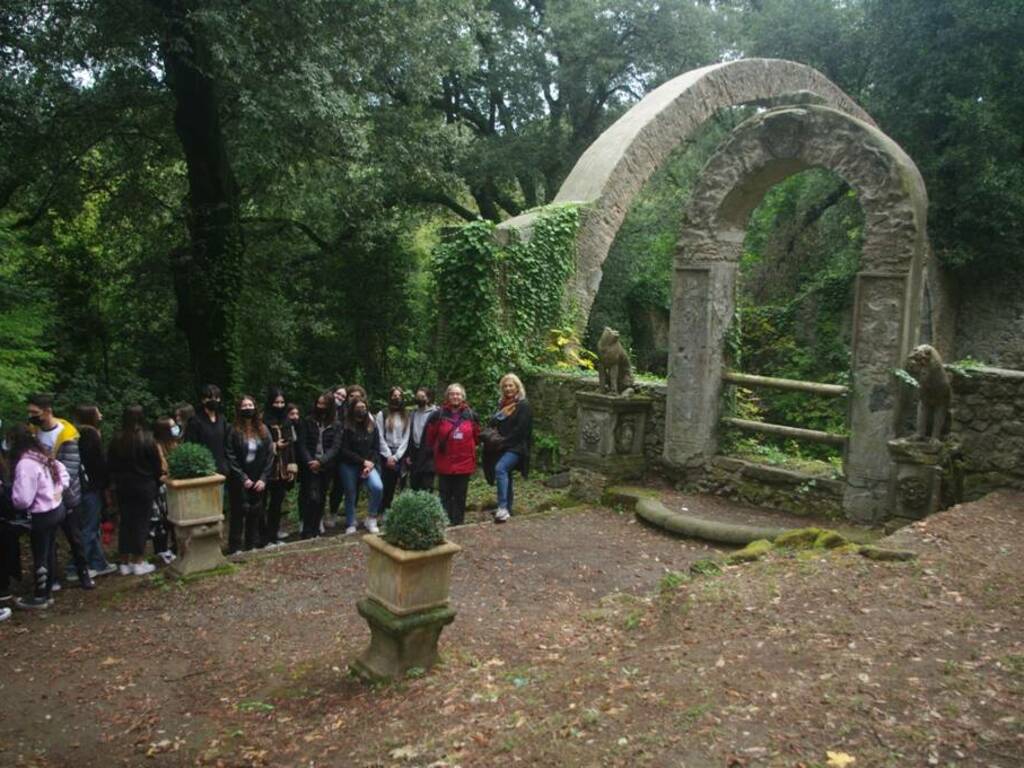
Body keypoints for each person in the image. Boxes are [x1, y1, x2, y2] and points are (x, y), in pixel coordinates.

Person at [26, 394, 92, 590]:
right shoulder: (33, 433)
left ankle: (84, 573)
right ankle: (51, 578)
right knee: (48, 540)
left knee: (74, 537)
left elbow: (71, 466)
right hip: (43, 498)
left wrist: (58, 490)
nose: (31, 416)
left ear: (47, 411)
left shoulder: (67, 434)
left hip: (67, 495)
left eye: (34, 413)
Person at [9, 424, 72, 608]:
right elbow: (63, 473)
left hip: (42, 514)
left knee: (41, 554)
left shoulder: (25, 464)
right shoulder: (42, 455)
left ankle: (40, 596)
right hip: (56, 509)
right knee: (49, 550)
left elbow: (22, 499)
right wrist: (58, 491)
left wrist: (11, 497)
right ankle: (48, 589)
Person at [107, 406, 163, 576]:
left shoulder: (116, 439)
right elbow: (157, 465)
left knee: (126, 522)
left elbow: (110, 464)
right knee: (142, 523)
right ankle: (138, 560)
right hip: (144, 485)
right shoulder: (147, 439)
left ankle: (124, 561)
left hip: (123, 486)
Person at [224, 395, 274, 553]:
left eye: (250, 405)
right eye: (244, 406)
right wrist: (242, 477)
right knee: (238, 512)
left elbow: (269, 455)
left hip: (258, 477)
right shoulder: (233, 430)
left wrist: (263, 478)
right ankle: (235, 546)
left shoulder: (263, 429)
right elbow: (230, 454)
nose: (247, 408)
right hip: (239, 478)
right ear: (239, 409)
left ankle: (251, 544)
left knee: (256, 511)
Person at [425, 383, 479, 526]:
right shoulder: (438, 415)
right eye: (452, 394)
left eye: (458, 394)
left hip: (464, 462)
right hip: (444, 461)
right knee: (445, 494)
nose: (455, 396)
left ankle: (458, 523)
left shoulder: (472, 415)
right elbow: (430, 438)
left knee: (460, 495)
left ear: (463, 397)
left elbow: (477, 437)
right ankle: (445, 522)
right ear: (447, 396)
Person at [72, 405, 116, 576]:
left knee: (93, 525)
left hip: (86, 486)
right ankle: (76, 567)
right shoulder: (89, 435)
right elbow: (97, 463)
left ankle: (98, 563)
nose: (101, 415)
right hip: (91, 487)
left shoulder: (78, 433)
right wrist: (106, 484)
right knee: (89, 527)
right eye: (98, 412)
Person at [484, 373, 533, 523]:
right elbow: (492, 422)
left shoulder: (523, 405)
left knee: (501, 468)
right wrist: (499, 416)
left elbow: (521, 431)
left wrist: (504, 442)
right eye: (505, 386)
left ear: (517, 387)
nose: (508, 388)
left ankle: (503, 507)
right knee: (507, 475)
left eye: (511, 385)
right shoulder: (502, 404)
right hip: (502, 446)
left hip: (516, 447)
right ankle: (508, 509)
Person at [295, 392, 339, 539]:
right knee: (310, 497)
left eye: (324, 404)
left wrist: (321, 462)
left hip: (326, 466)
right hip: (309, 465)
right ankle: (307, 530)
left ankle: (316, 529)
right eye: (319, 404)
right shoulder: (307, 421)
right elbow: (302, 444)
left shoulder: (336, 424)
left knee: (321, 497)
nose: (321, 407)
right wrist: (310, 462)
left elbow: (335, 447)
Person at [338, 398, 383, 534]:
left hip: (368, 464)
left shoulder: (372, 425)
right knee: (351, 492)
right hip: (349, 464)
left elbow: (376, 448)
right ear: (352, 409)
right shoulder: (345, 426)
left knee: (377, 487)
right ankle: (351, 522)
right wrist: (362, 461)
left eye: (363, 407)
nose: (361, 410)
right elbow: (343, 450)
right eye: (358, 407)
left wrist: (370, 464)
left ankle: (371, 517)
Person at [262, 389, 297, 547]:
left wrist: (291, 464)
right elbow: (259, 443)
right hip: (266, 467)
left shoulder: (286, 420)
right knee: (261, 504)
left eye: (282, 402)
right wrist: (274, 445)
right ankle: (261, 537)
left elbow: (291, 444)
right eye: (276, 402)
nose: (279, 405)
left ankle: (273, 535)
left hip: (283, 466)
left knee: (277, 503)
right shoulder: (262, 420)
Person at [152, 416, 182, 563]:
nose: (176, 427)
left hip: (175, 486)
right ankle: (162, 550)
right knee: (163, 520)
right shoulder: (156, 446)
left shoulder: (175, 444)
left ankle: (175, 546)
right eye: (172, 426)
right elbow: (163, 468)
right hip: (162, 488)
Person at [376, 386, 409, 516]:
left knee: (398, 484)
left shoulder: (406, 415)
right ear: (390, 397)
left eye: (399, 396)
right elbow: (379, 435)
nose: (397, 398)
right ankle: (381, 510)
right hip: (385, 453)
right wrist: (388, 455)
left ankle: (395, 512)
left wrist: (396, 457)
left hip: (400, 454)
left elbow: (407, 437)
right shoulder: (382, 414)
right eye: (394, 395)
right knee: (384, 485)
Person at [183, 384, 229, 477]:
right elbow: (191, 447)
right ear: (203, 400)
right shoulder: (195, 421)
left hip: (222, 470)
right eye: (210, 398)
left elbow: (227, 443)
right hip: (204, 471)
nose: (214, 400)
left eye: (216, 398)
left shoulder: (222, 419)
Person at [407, 387, 438, 492]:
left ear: (428, 398)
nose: (419, 399)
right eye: (418, 396)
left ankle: (428, 507)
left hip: (429, 454)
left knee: (427, 484)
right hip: (415, 453)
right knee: (414, 484)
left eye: (422, 397)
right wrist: (408, 454)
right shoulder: (412, 414)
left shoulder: (435, 413)